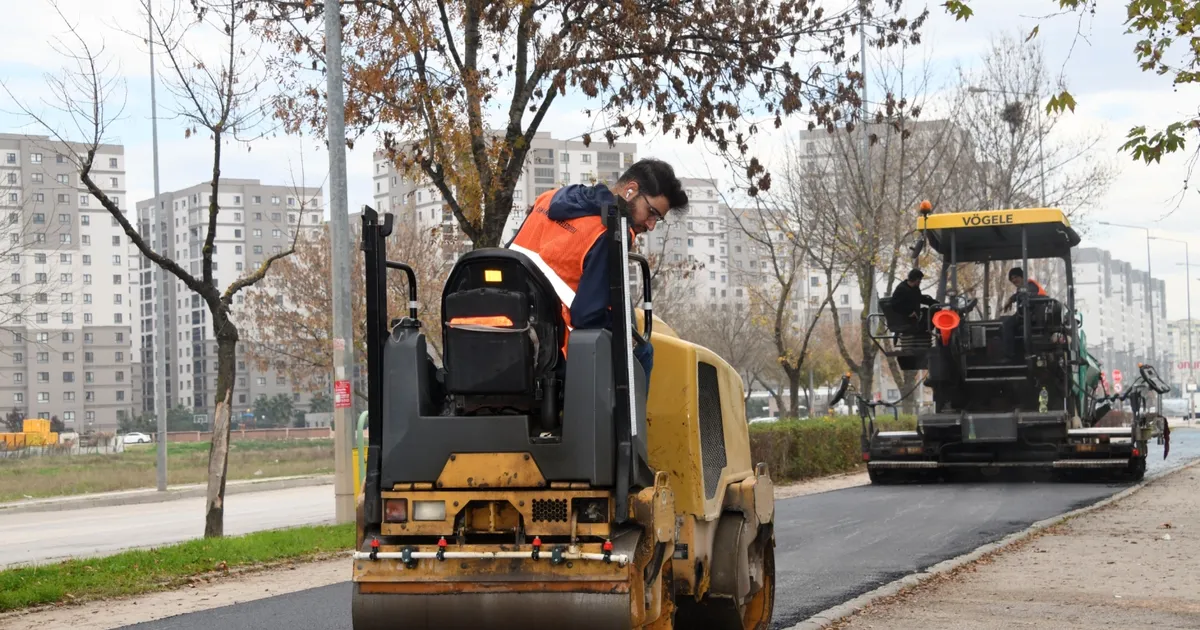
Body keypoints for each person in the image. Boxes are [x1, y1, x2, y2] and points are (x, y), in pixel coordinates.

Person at [507, 158, 689, 381]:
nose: (651, 225)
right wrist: (623, 328)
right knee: (642, 351)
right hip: (550, 350)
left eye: (657, 220)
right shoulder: (610, 229)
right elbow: (586, 315)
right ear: (630, 190)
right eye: (651, 212)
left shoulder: (547, 199)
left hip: (506, 323)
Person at [1000, 267, 1048, 360]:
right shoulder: (1022, 288)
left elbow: (1026, 294)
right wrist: (1011, 299)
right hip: (1026, 314)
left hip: (1034, 315)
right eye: (1012, 279)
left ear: (1022, 277)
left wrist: (1012, 299)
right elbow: (1020, 294)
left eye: (1016, 277)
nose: (1014, 280)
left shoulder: (1031, 285)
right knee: (1003, 321)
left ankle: (1009, 355)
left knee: (1007, 324)